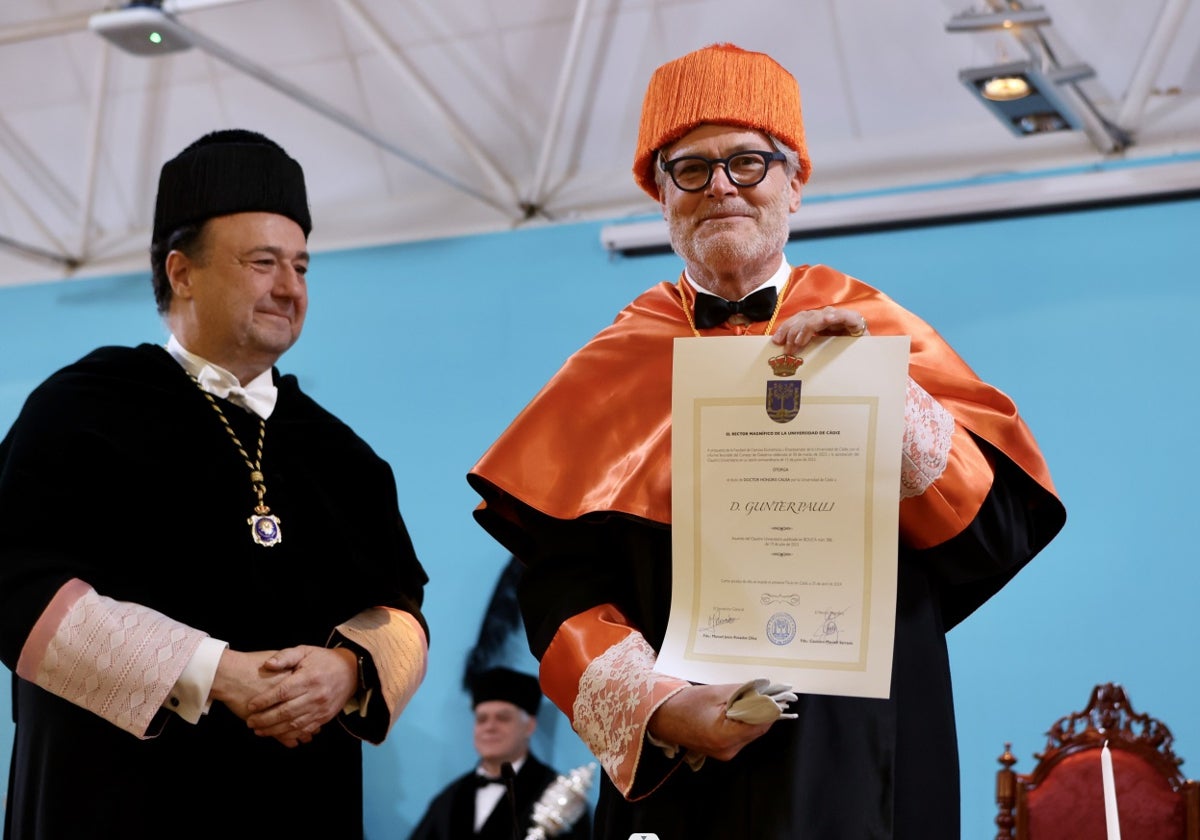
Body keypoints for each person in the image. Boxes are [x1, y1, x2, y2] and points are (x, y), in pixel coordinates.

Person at [466, 43, 1066, 840]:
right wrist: (662, 708)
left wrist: (880, 397)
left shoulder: (879, 333)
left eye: (749, 162)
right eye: (690, 168)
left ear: (795, 181)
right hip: (682, 778)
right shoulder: (610, 365)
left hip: (863, 761)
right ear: (659, 193)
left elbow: (991, 539)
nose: (720, 185)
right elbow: (557, 587)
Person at [0, 129, 430, 839]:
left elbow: (402, 613)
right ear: (182, 272)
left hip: (298, 804)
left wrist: (349, 670)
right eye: (263, 262)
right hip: (115, 802)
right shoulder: (81, 410)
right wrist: (211, 671)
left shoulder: (343, 456)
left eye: (300, 265)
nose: (289, 288)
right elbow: (14, 582)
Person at [410, 667, 591, 840]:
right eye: (482, 719)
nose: (490, 727)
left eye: (503, 718)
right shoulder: (449, 799)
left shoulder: (559, 796)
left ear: (529, 726)